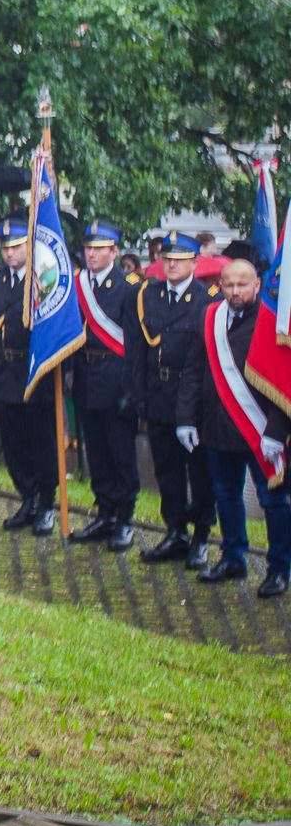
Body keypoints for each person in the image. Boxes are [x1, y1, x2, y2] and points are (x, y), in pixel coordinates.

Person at [175, 243, 291, 595]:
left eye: (242, 285)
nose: (235, 292)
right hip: (218, 426)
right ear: (220, 286)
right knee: (225, 495)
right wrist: (185, 419)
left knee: (273, 501)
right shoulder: (209, 316)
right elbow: (194, 371)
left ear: (258, 285)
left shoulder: (274, 322)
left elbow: (285, 380)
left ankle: (279, 568)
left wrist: (276, 430)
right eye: (229, 285)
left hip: (261, 431)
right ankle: (233, 558)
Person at [134, 231, 219, 567]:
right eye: (167, 259)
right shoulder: (150, 295)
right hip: (158, 394)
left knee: (198, 472)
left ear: (194, 263)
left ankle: (201, 535)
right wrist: (139, 395)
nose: (170, 265)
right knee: (166, 470)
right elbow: (141, 352)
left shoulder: (207, 299)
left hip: (193, 401)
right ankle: (175, 530)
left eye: (179, 260)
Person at [0, 218, 59, 533]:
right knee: (13, 443)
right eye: (6, 249)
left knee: (40, 441)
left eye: (16, 247)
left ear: (28, 246)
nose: (10, 254)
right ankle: (26, 498)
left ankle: (45, 503)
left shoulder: (44, 278)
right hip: (4, 372)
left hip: (34, 372)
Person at [68, 219, 140, 550]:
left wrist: (131, 390)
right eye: (89, 249)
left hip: (116, 376)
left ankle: (124, 518)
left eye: (100, 249)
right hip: (86, 375)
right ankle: (105, 513)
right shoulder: (79, 283)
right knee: (96, 451)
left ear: (114, 251)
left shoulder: (129, 287)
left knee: (120, 452)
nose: (93, 255)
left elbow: (136, 344)